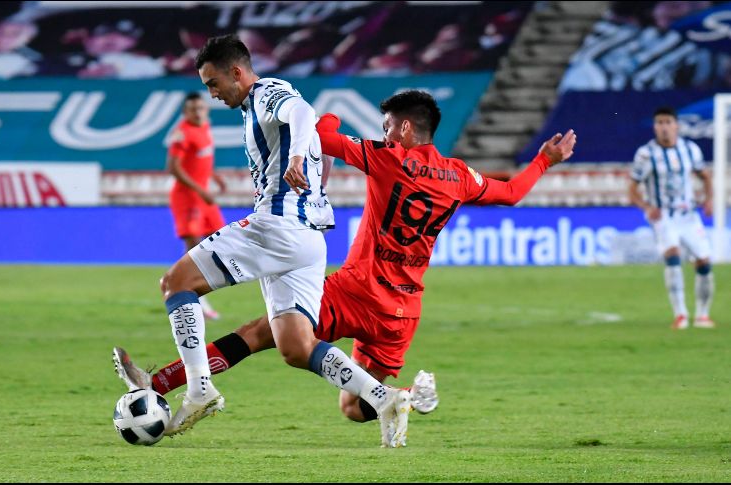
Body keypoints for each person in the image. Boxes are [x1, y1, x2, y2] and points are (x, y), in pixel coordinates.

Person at [114, 89, 576, 444]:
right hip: (404, 311)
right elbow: (512, 193)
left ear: (409, 131)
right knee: (352, 408)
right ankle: (410, 399)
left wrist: (323, 115)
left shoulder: (389, 158)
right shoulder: (459, 175)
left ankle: (160, 382)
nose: (386, 133)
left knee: (263, 333)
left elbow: (323, 135)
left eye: (391, 126)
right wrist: (545, 160)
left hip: (359, 290)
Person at [129, 33, 411, 447]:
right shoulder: (253, 109)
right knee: (296, 346)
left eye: (213, 83)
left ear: (237, 72)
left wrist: (296, 158)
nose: (212, 94)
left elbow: (302, 111)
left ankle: (198, 389)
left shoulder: (268, 93)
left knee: (176, 283)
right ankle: (384, 398)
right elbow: (319, 144)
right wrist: (311, 174)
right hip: (309, 241)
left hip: (277, 225)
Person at [628, 106, 715, 330]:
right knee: (673, 256)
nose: (663, 127)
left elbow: (705, 175)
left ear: (676, 125)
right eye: (659, 123)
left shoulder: (690, 150)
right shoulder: (646, 154)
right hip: (663, 216)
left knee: (704, 262)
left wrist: (709, 200)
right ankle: (681, 315)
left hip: (688, 215)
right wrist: (647, 207)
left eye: (668, 122)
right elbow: (632, 190)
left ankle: (703, 316)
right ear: (655, 126)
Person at [166, 92, 227, 321]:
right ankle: (193, 296)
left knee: (216, 240)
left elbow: (200, 160)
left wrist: (214, 176)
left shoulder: (205, 128)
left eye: (200, 108)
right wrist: (201, 190)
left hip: (203, 195)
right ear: (185, 112)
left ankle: (185, 284)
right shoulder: (182, 133)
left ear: (206, 109)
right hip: (187, 197)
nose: (198, 112)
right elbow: (173, 167)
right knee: (194, 248)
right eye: (192, 109)